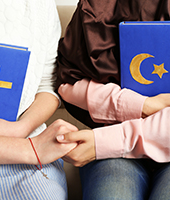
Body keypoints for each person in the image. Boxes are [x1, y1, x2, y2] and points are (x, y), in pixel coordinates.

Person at [56, 0, 170, 199]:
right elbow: (68, 83)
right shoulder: (93, 6)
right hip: (110, 142)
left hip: (108, 140)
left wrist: (108, 141)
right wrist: (143, 105)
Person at [0, 0, 77, 199]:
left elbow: (46, 85)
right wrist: (31, 149)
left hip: (22, 159)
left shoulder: (41, 6)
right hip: (23, 149)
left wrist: (21, 128)